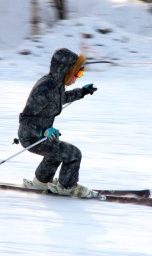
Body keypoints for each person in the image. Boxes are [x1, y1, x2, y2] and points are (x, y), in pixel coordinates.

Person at [18, 48, 98, 198]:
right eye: (77, 73)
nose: (78, 77)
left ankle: (40, 183)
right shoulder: (45, 88)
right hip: (31, 136)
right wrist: (42, 131)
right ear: (65, 70)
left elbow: (61, 99)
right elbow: (25, 118)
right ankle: (67, 187)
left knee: (56, 152)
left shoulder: (57, 85)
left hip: (42, 135)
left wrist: (82, 92)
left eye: (81, 73)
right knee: (73, 154)